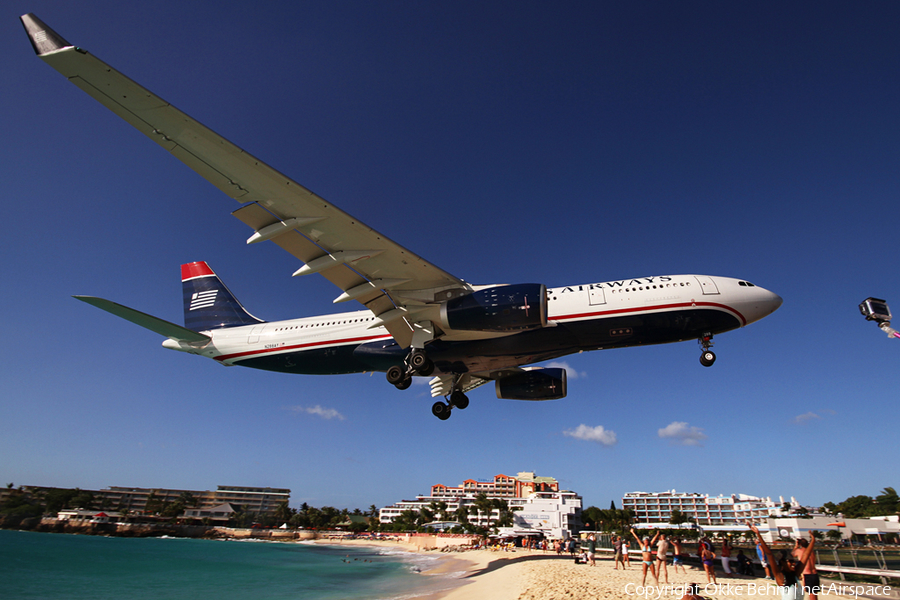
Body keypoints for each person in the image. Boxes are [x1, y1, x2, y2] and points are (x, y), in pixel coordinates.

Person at [748, 522, 816, 600]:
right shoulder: (780, 576)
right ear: (783, 562)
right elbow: (769, 554)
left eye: (793, 561)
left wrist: (813, 540)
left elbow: (806, 555)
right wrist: (758, 535)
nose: (794, 563)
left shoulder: (796, 574)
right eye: (790, 561)